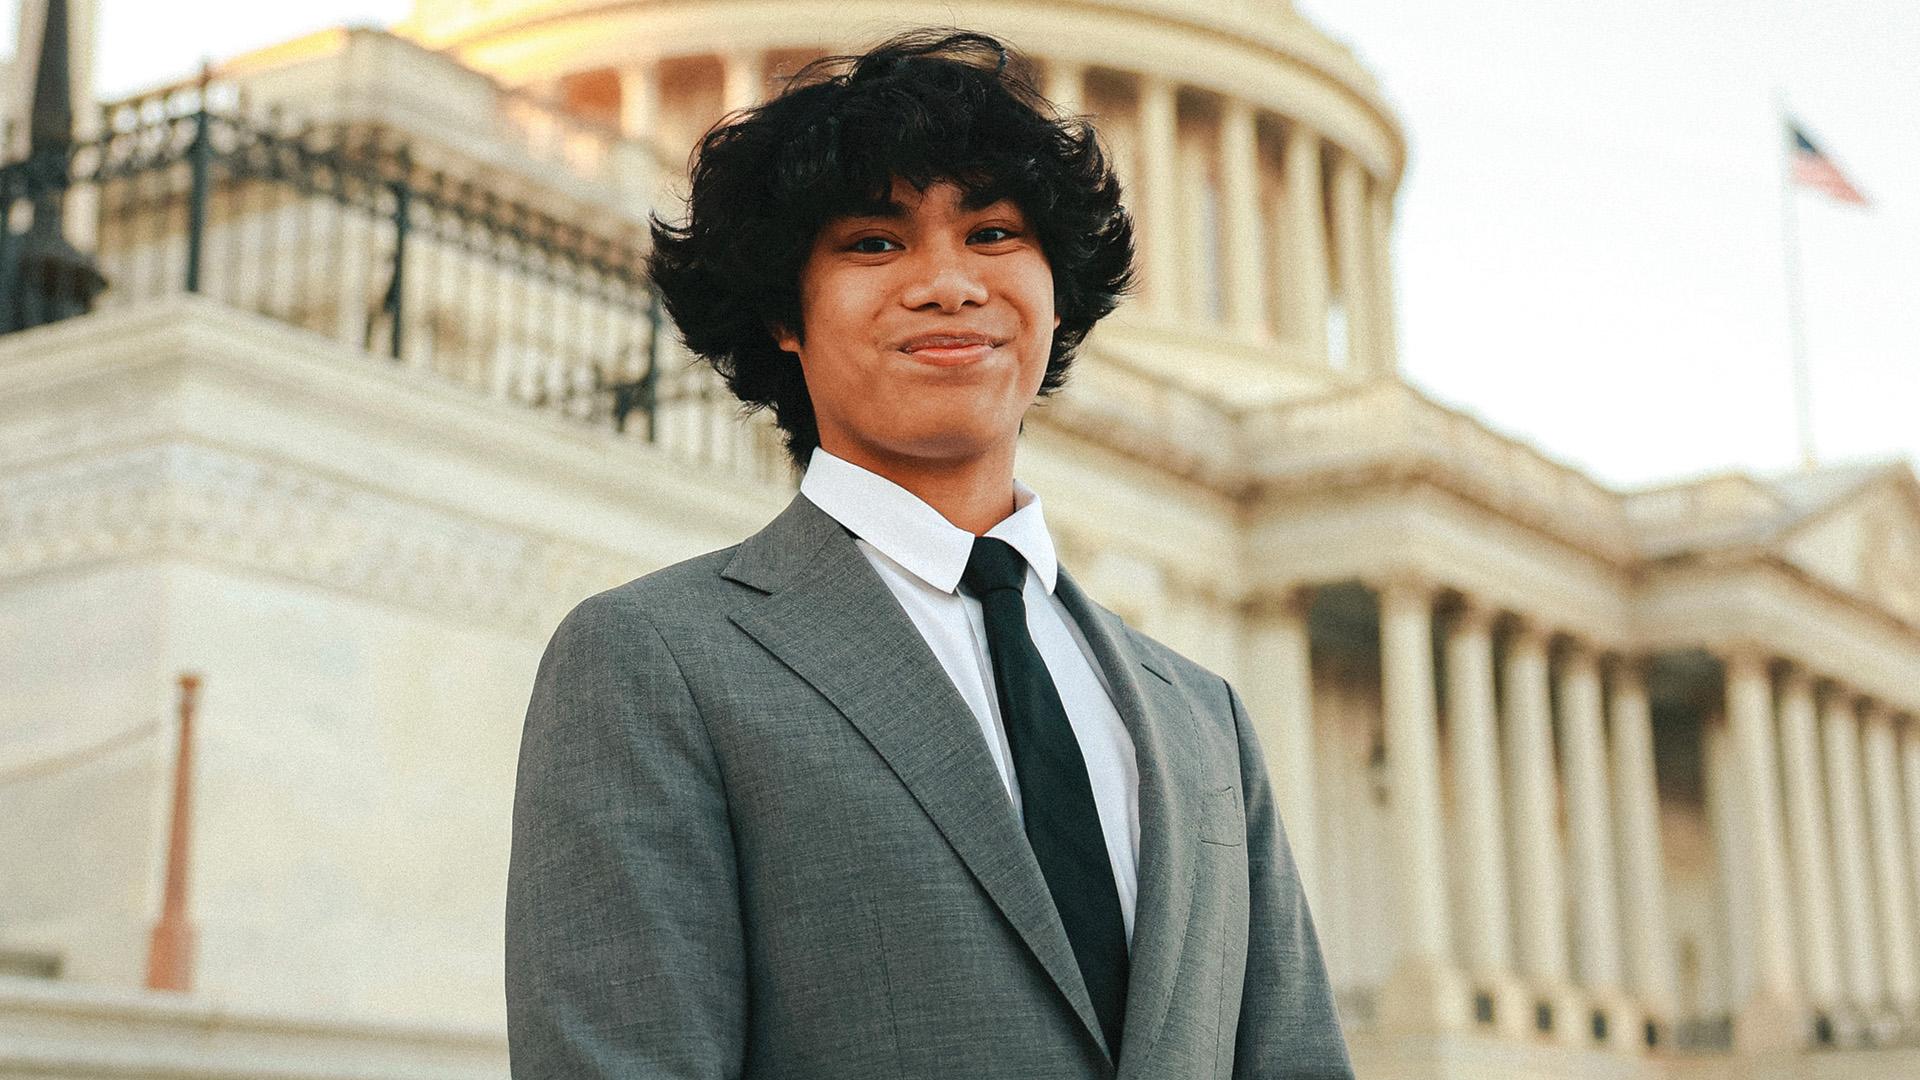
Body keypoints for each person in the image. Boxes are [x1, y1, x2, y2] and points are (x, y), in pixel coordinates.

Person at [504, 28, 1352, 1080]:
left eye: (995, 233)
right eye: (875, 243)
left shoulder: (1202, 716)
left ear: (1057, 290)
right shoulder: (655, 661)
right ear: (781, 313)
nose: (949, 283)